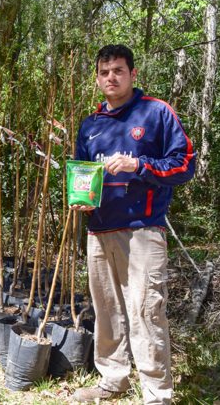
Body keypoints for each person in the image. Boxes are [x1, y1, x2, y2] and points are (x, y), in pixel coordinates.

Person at [71, 45, 195, 404]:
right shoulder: (91, 125)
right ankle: (113, 378)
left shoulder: (155, 113)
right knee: (107, 310)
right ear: (97, 78)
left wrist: (138, 166)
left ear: (132, 74)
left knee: (146, 309)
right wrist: (82, 199)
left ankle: (157, 394)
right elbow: (84, 173)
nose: (111, 77)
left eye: (118, 71)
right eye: (104, 72)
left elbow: (184, 164)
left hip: (143, 230)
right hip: (98, 231)